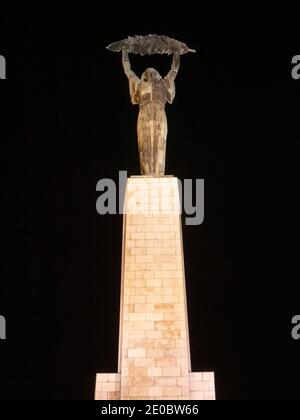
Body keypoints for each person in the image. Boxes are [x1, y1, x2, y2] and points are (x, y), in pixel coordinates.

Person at [122, 51, 180, 176]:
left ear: (158, 75)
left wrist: (177, 53)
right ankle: (146, 174)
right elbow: (129, 72)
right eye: (148, 73)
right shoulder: (139, 85)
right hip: (144, 115)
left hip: (159, 116)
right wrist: (124, 53)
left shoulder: (164, 84)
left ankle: (159, 173)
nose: (150, 74)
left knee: (160, 144)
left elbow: (173, 71)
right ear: (144, 75)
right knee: (144, 146)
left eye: (153, 72)